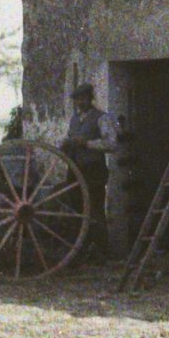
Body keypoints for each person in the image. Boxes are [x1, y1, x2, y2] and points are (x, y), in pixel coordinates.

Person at [61, 83, 119, 256]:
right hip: (74, 169)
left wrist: (87, 143)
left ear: (90, 98)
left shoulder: (102, 118)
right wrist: (65, 145)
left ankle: (102, 252)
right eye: (77, 99)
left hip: (93, 169)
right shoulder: (74, 120)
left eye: (83, 98)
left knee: (95, 209)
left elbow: (112, 144)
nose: (80, 102)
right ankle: (80, 251)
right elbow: (69, 140)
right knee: (77, 210)